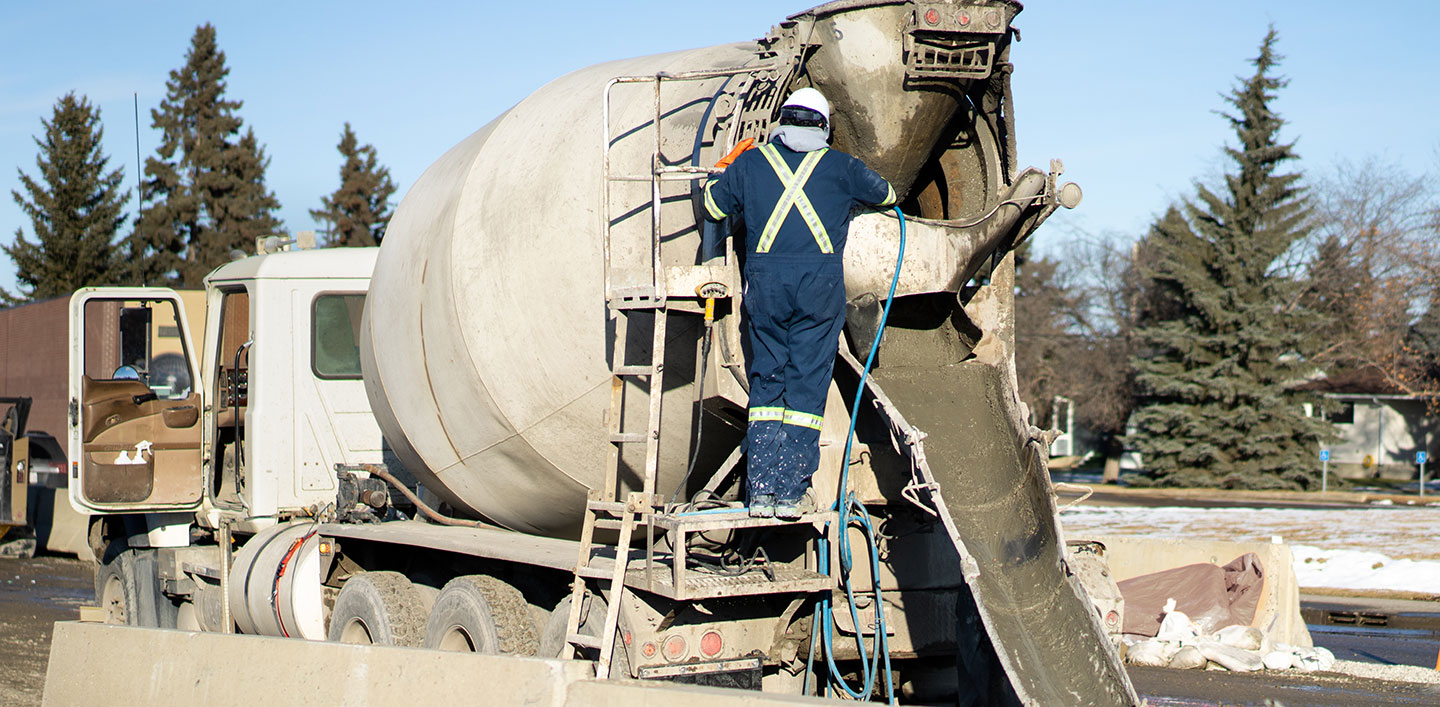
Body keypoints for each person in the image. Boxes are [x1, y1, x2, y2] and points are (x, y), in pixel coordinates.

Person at [702, 87, 896, 518]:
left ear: (783, 122)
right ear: (824, 126)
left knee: (768, 381)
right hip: (818, 286)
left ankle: (762, 493)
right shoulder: (841, 166)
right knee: (807, 383)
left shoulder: (752, 163)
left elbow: (713, 206)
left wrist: (723, 172)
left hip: (766, 285)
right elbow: (886, 196)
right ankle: (791, 494)